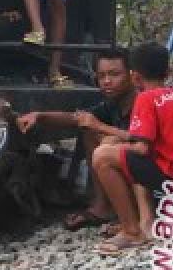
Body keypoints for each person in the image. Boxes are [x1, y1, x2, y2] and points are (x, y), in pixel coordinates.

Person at [92, 42, 173, 254]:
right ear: (168, 71)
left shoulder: (145, 98)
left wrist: (114, 143)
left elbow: (141, 148)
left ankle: (131, 231)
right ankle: (146, 221)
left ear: (134, 77)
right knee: (125, 154)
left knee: (103, 156)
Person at [16, 47, 138, 230]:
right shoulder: (113, 104)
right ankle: (102, 206)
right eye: (102, 75)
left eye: (114, 74)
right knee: (89, 129)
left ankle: (132, 221)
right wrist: (39, 115)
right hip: (131, 168)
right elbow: (77, 118)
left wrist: (104, 131)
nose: (106, 81)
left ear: (131, 75)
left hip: (154, 176)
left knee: (109, 142)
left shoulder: (143, 102)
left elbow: (142, 142)